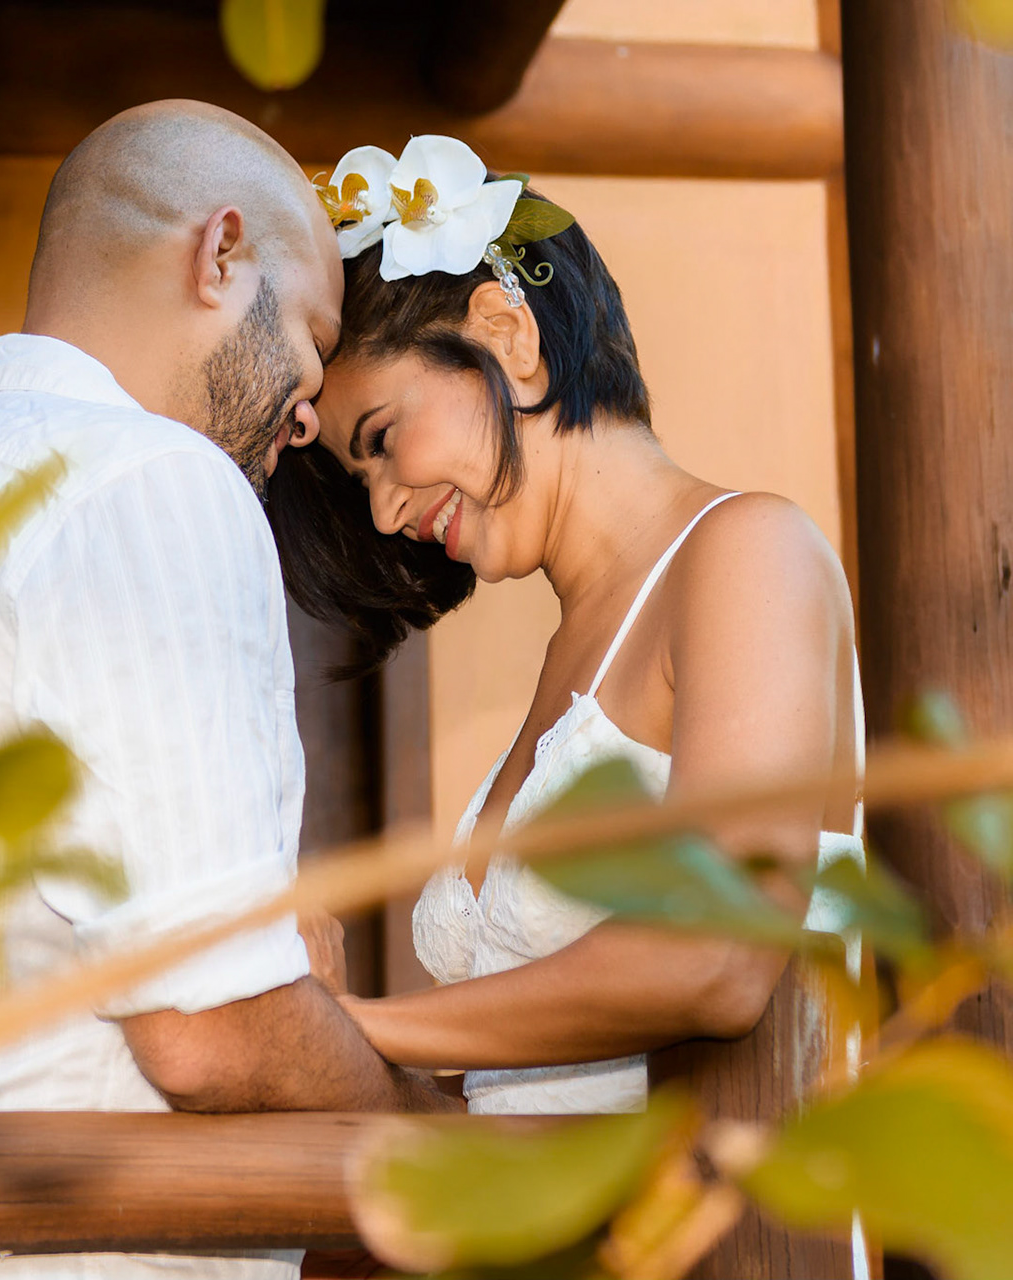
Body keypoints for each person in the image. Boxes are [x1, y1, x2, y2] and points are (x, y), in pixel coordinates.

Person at [0, 102, 455, 1279]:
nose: (305, 413)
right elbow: (207, 1029)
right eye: (310, 341)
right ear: (219, 254)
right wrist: (432, 1136)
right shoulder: (156, 478)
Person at [268, 135, 864, 1116]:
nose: (381, 509)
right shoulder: (570, 652)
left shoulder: (750, 550)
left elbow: (718, 955)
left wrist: (348, 1024)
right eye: (361, 476)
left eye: (381, 439)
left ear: (506, 334)